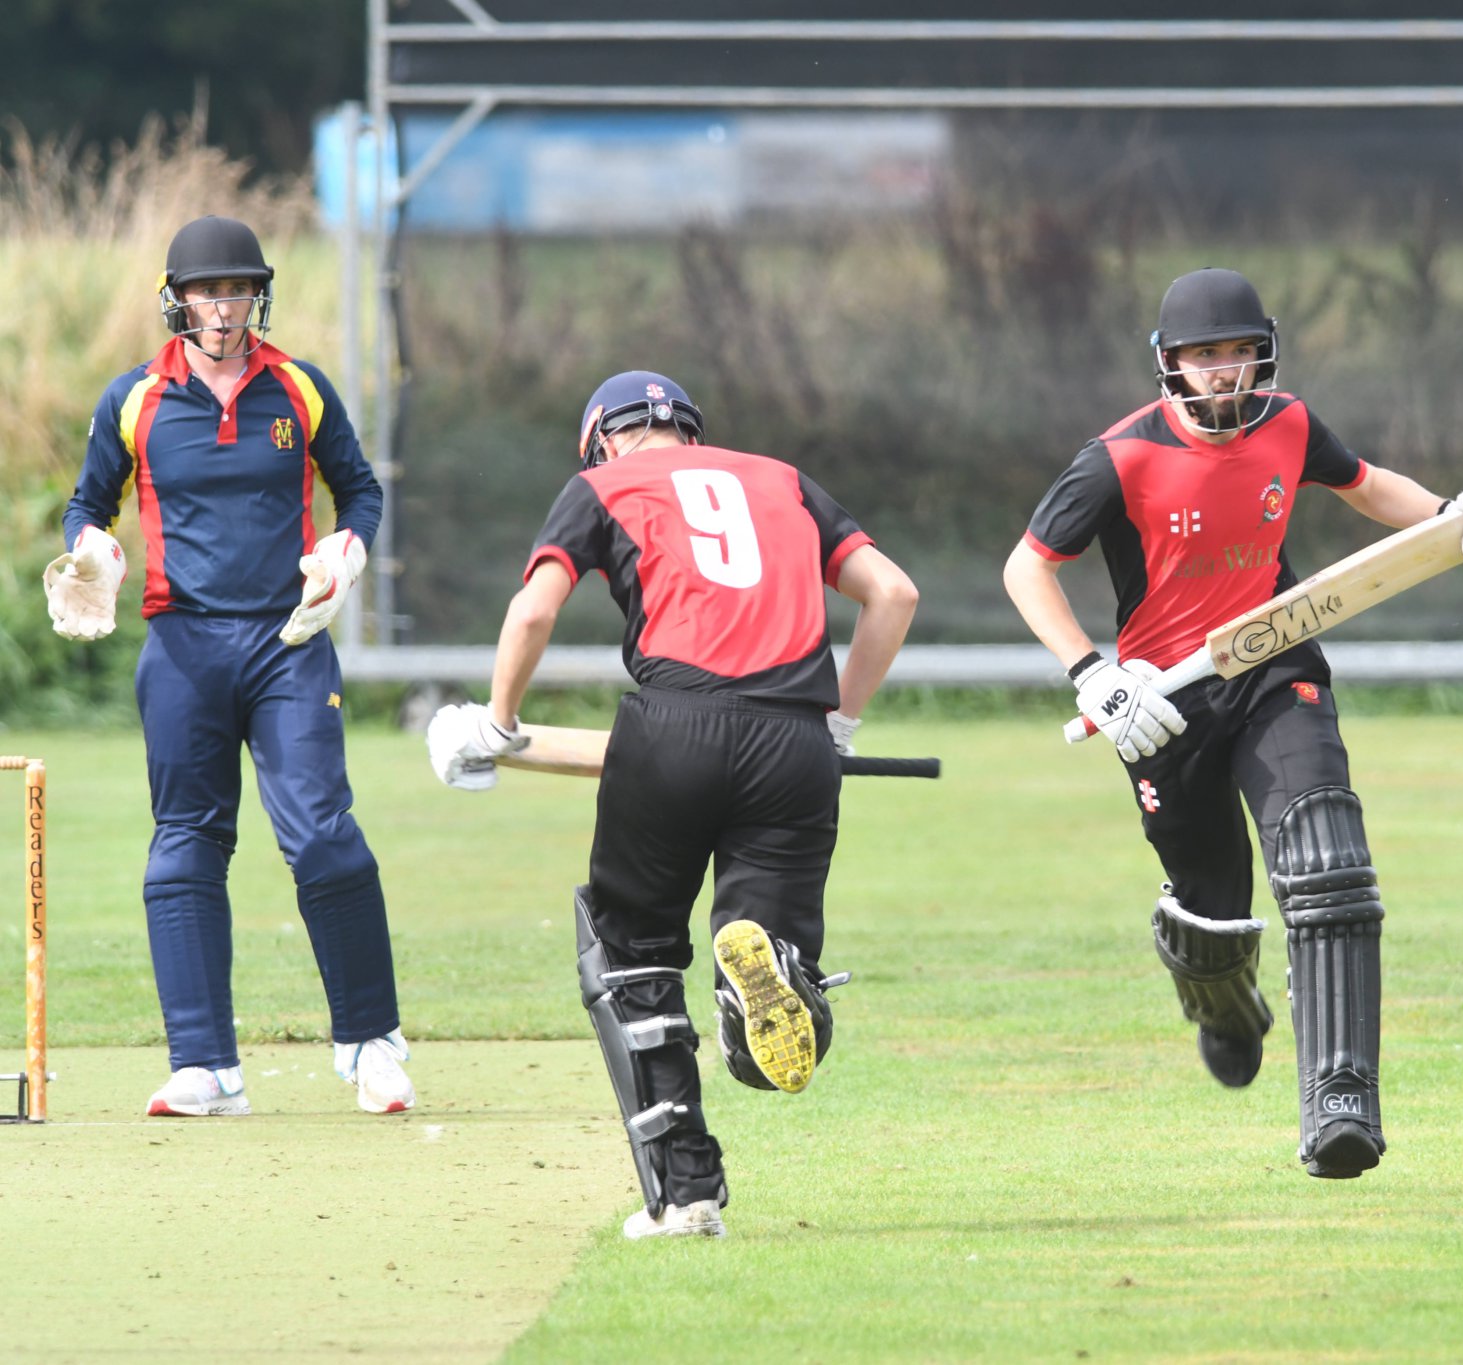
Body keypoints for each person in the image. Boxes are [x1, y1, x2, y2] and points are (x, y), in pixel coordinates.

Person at [1002, 268, 1463, 1179]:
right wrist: (1094, 676)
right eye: (1206, 357)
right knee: (1213, 918)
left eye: (1240, 354)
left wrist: (1454, 518)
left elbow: (1365, 485)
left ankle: (1340, 1101)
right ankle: (1222, 1003)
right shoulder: (1118, 457)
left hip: (1275, 658)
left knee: (1328, 856)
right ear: (1170, 365)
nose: (1226, 374)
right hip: (1164, 703)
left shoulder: (1289, 422)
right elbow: (1026, 568)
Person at [426, 371, 918, 1240]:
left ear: (602, 441)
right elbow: (894, 592)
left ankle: (686, 1192)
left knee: (631, 954)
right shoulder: (782, 478)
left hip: (671, 732)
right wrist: (838, 722)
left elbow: (534, 611)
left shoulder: (599, 486)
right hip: (796, 744)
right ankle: (765, 977)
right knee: (772, 971)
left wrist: (498, 722)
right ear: (691, 432)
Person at [50, 215, 412, 1117]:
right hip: (181, 645)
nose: (223, 305)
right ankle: (205, 1066)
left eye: (238, 288)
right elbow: (88, 502)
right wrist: (91, 554)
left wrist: (346, 552)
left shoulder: (298, 388)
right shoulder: (132, 399)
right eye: (208, 290)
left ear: (259, 294)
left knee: (323, 834)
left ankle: (371, 1042)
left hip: (287, 641)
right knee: (183, 848)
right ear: (177, 298)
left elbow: (359, 488)